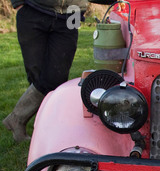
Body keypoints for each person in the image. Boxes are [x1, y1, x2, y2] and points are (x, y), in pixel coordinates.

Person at [3, 0, 115, 142]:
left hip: (72, 13)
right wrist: (18, 3)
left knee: (57, 76)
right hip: (34, 9)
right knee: (36, 73)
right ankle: (44, 124)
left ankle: (17, 118)